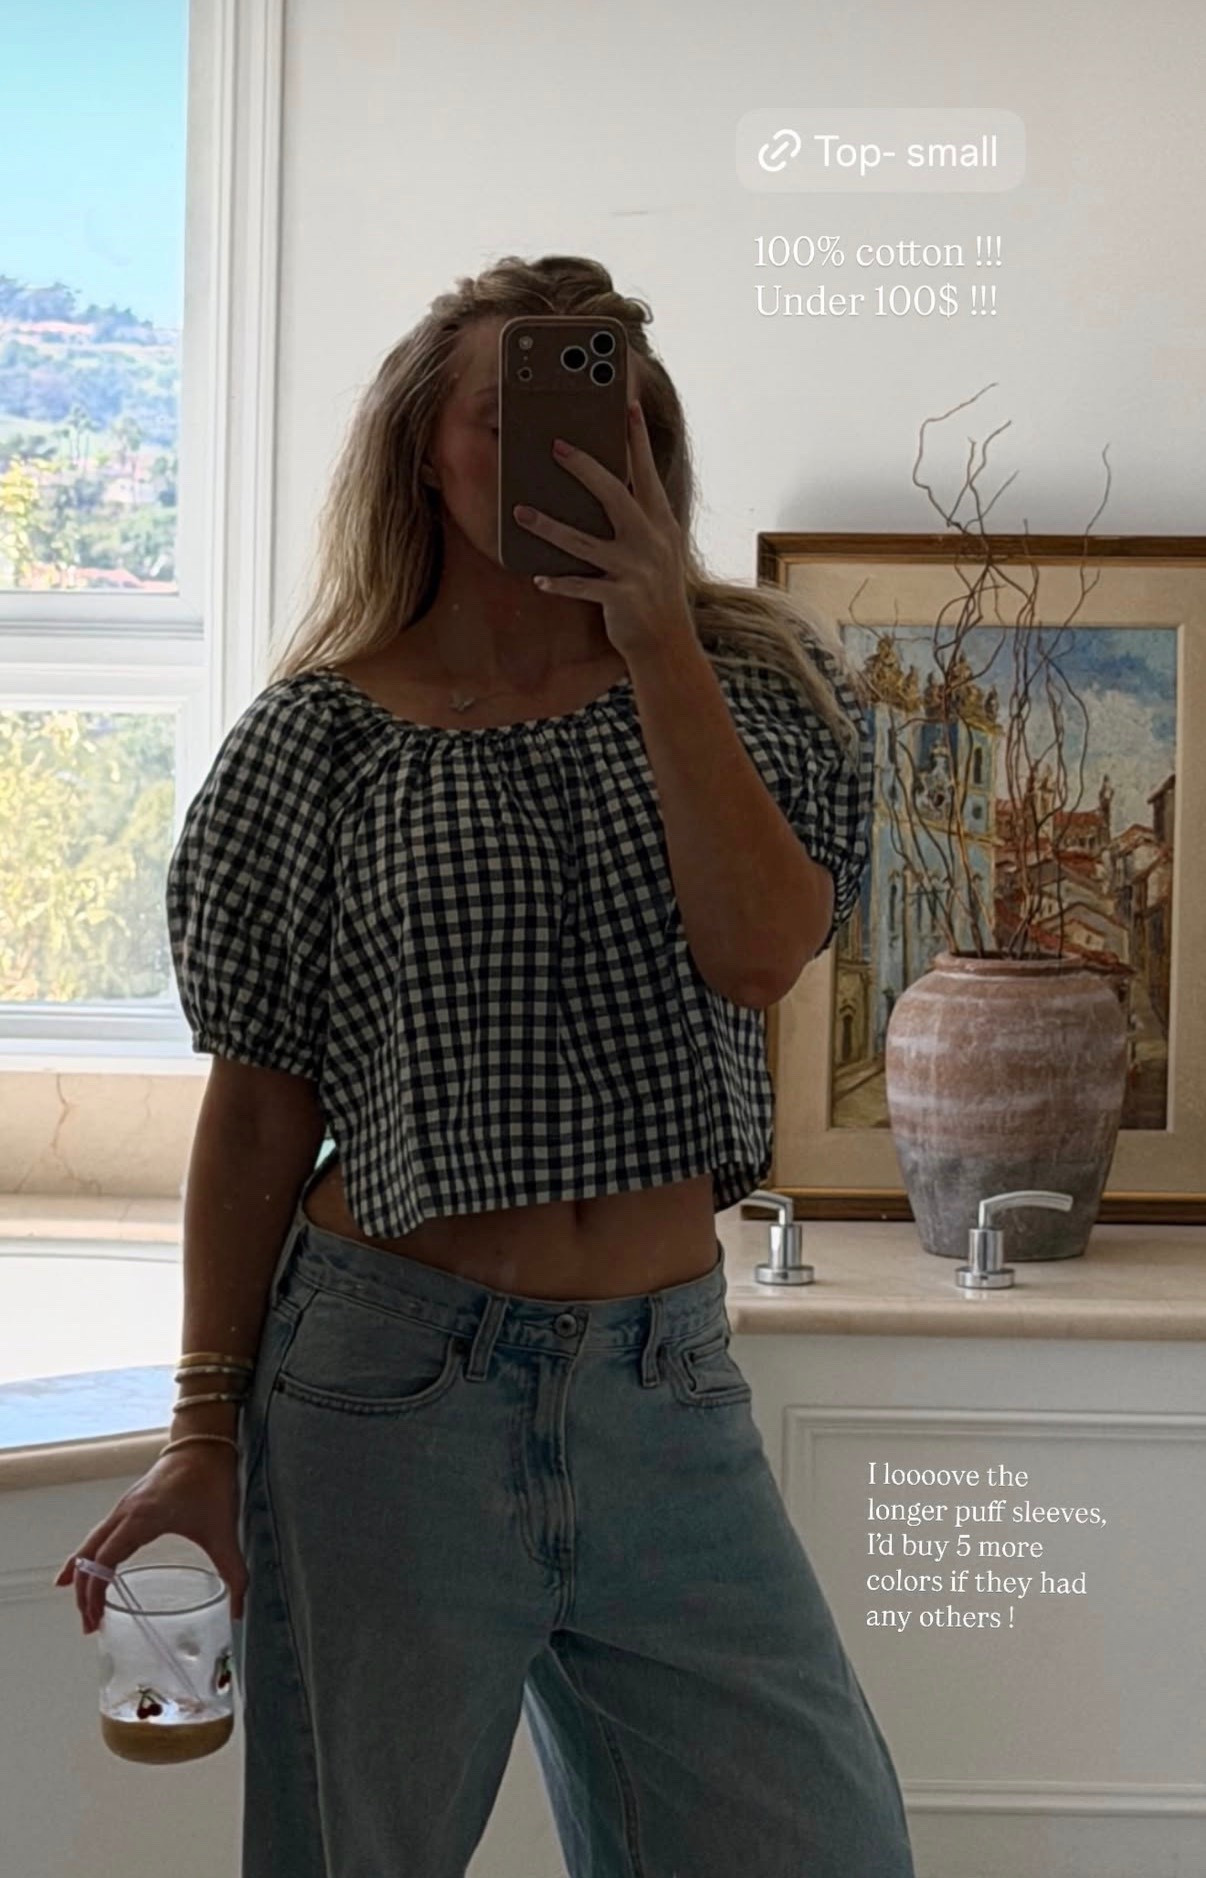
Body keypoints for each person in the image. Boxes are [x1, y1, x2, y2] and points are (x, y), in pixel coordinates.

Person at [57, 254, 914, 1877]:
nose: (561, 444)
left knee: (822, 1844)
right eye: (505, 412)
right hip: (390, 1384)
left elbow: (758, 953)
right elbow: (258, 1111)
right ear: (423, 454)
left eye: (605, 410)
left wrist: (655, 639)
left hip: (666, 1386)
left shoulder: (759, 690)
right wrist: (199, 1432)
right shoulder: (315, 743)